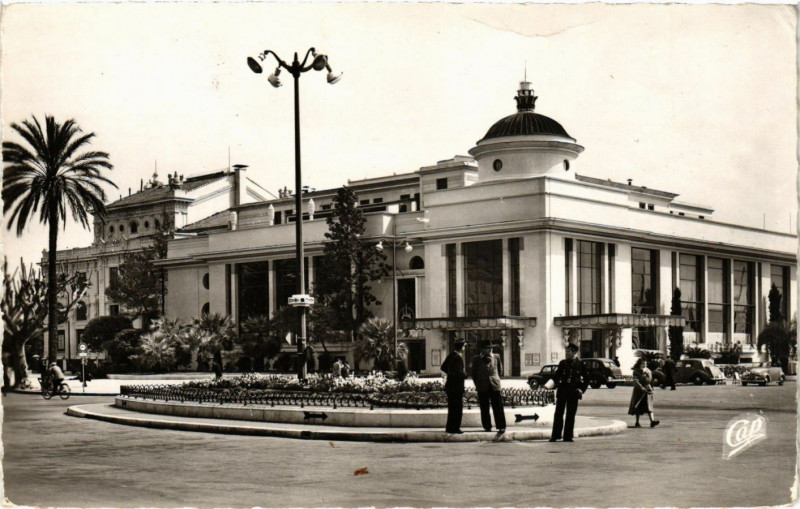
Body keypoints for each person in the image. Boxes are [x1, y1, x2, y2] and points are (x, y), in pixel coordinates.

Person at [550, 343, 588, 442]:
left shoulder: (581, 365)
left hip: (574, 392)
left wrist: (581, 389)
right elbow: (557, 376)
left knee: (570, 414)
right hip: (562, 391)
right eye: (566, 351)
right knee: (558, 413)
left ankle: (568, 436)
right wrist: (550, 384)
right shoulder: (562, 363)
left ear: (574, 352)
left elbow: (586, 379)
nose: (566, 353)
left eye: (568, 351)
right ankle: (555, 435)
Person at [471, 340, 506, 433]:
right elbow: (474, 374)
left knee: (498, 406)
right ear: (482, 349)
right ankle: (487, 426)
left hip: (495, 385)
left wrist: (495, 379)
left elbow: (500, 370)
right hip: (482, 385)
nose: (490, 349)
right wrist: (478, 383)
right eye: (488, 348)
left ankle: (501, 426)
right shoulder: (476, 359)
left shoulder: (496, 357)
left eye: (491, 348)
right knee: (484, 407)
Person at [440, 338, 467, 434]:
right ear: (461, 347)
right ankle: (455, 427)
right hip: (457, 386)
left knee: (452, 408)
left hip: (450, 386)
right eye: (464, 346)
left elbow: (443, 367)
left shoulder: (451, 355)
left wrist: (450, 374)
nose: (464, 347)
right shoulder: (458, 358)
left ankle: (449, 427)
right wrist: (463, 375)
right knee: (457, 408)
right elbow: (458, 373)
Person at [629, 359, 659, 428]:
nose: (645, 365)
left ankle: (652, 421)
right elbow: (636, 381)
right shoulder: (636, 371)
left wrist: (652, 389)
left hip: (647, 390)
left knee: (649, 406)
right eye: (643, 363)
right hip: (638, 391)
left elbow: (651, 381)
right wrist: (641, 388)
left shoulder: (648, 371)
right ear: (640, 364)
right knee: (638, 406)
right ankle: (637, 422)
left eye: (645, 363)